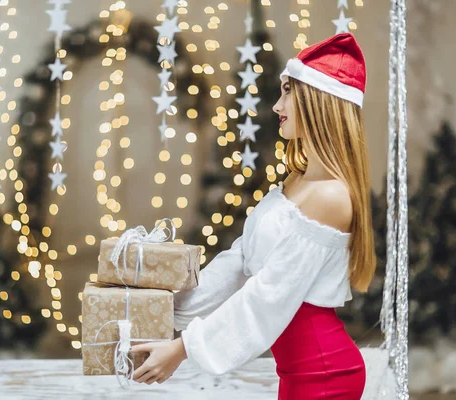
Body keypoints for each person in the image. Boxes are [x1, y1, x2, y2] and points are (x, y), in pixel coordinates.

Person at [130, 32, 376, 399]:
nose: (278, 106)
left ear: (320, 102)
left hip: (325, 374)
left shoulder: (331, 196)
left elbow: (267, 296)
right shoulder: (297, 179)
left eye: (289, 92)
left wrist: (182, 349)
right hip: (298, 373)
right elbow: (241, 262)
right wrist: (166, 307)